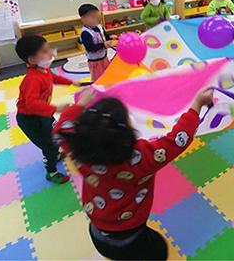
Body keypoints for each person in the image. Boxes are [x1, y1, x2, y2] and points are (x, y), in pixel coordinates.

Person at [53, 87, 214, 260]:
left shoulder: (79, 150)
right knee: (159, 252)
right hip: (132, 236)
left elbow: (61, 130)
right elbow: (177, 140)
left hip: (97, 231)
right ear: (126, 135)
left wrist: (81, 104)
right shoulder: (141, 157)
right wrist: (197, 105)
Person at [15, 35, 76, 184]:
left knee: (55, 135)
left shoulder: (44, 70)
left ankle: (55, 154)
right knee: (49, 145)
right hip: (30, 119)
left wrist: (71, 82)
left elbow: (53, 78)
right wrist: (56, 108)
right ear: (32, 60)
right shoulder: (33, 79)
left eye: (48, 49)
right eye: (44, 51)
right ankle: (51, 172)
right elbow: (31, 104)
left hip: (43, 112)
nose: (50, 53)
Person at [78, 4, 116, 82]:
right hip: (95, 61)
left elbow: (104, 36)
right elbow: (90, 48)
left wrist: (110, 38)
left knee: (107, 73)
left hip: (104, 57)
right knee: (98, 78)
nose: (96, 19)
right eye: (93, 17)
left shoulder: (99, 27)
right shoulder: (85, 33)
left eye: (97, 16)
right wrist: (103, 45)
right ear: (83, 19)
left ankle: (107, 84)